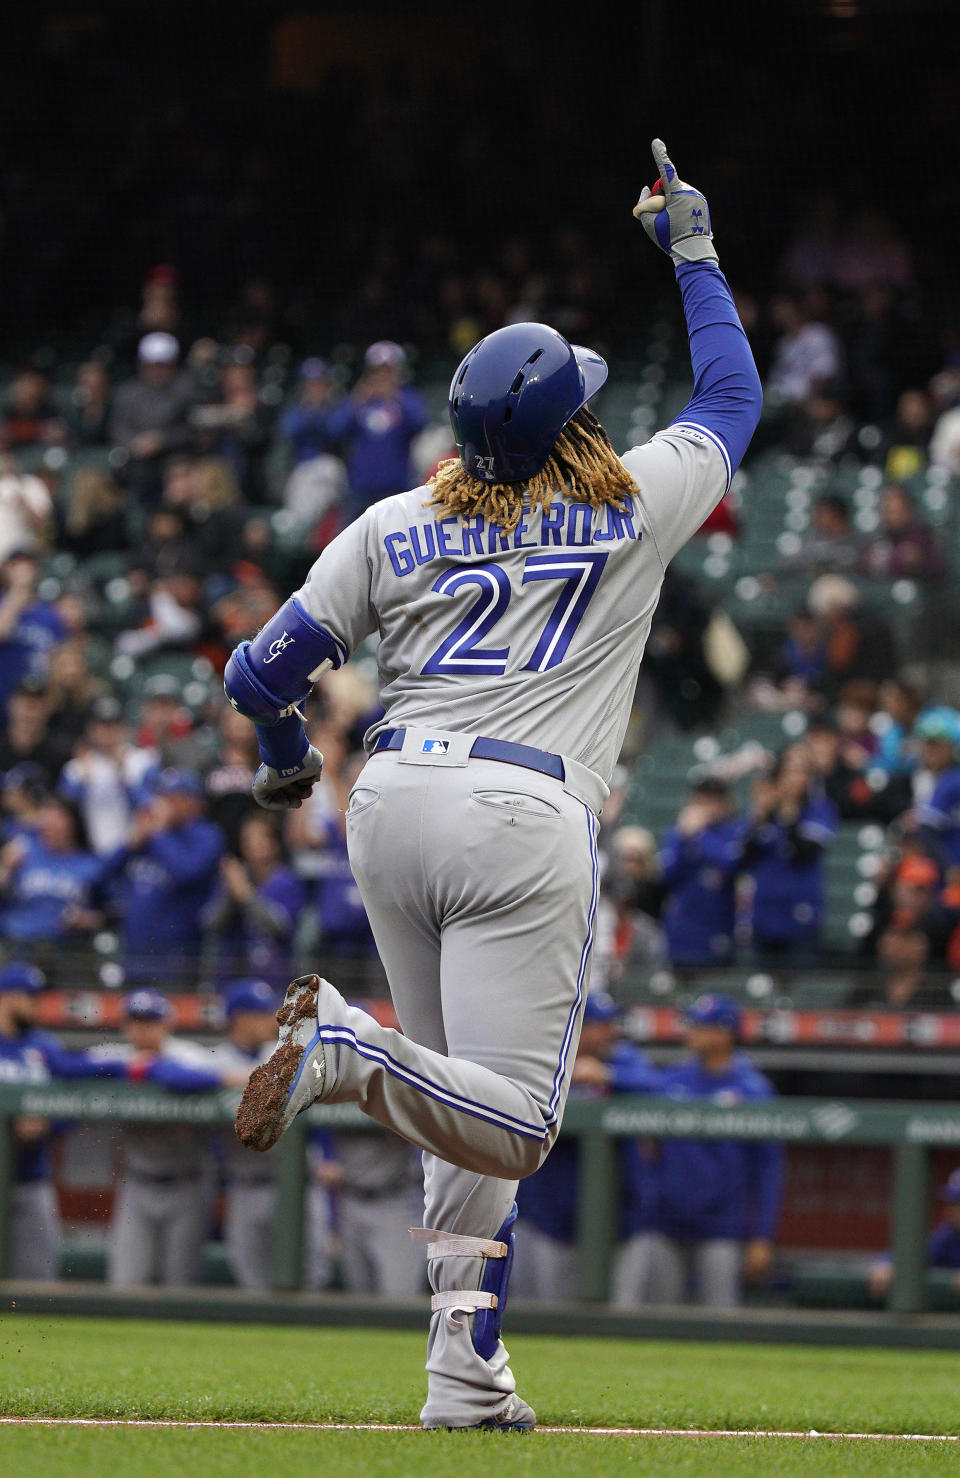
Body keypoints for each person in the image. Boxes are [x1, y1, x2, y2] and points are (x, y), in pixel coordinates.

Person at [227, 139, 762, 1430]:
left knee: (453, 1103)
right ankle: (344, 1049)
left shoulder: (394, 518)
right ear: (567, 420)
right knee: (514, 1123)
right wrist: (689, 248)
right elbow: (734, 397)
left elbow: (258, 674)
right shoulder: (631, 500)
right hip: (522, 814)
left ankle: (462, 1367)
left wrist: (289, 760)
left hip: (391, 803)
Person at [612, 995, 784, 1309]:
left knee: (720, 1322)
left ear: (725, 1033)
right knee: (660, 1319)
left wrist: (761, 1236)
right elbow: (634, 1088)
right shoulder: (674, 1079)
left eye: (701, 1027)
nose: (692, 1033)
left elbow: (768, 1170)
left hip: (723, 1227)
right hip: (666, 1223)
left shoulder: (753, 1089)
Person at [513, 991, 659, 1301]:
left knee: (621, 1318)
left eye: (608, 1024)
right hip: (552, 1217)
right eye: (597, 1025)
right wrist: (572, 1082)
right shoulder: (547, 1061)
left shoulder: (624, 1061)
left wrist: (609, 1076)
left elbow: (662, 1089)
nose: (608, 1032)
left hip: (622, 1220)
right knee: (551, 1317)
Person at [104, 987, 241, 1288]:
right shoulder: (116, 1056)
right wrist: (133, 1066)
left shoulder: (190, 1056)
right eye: (136, 1022)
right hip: (137, 1182)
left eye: (150, 1022)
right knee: (125, 1281)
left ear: (166, 1024)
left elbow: (195, 1077)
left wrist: (150, 1068)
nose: (143, 1030)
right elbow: (68, 1068)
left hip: (187, 1181)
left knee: (181, 1281)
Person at [103, 769, 225, 988]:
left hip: (177, 962)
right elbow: (100, 879)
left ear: (193, 803)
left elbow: (186, 873)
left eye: (173, 798)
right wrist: (127, 847)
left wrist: (158, 833)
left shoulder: (206, 835)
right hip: (133, 960)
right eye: (162, 796)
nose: (163, 804)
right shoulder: (148, 837)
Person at [743, 745, 838, 968]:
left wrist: (789, 814)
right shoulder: (765, 813)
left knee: (800, 985)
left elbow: (804, 853)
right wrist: (758, 817)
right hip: (764, 915)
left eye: (802, 771)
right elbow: (744, 858)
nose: (795, 778)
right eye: (790, 771)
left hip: (800, 915)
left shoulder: (820, 809)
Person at [325, 341, 428, 522]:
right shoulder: (358, 400)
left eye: (389, 370)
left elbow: (419, 424)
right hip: (360, 490)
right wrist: (357, 399)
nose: (383, 376)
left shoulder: (407, 399)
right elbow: (334, 430)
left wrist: (395, 396)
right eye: (378, 370)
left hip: (398, 489)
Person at [203, 811, 305, 990]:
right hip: (231, 977)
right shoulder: (233, 878)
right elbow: (210, 923)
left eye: (260, 838)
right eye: (248, 839)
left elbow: (279, 926)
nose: (253, 844)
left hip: (274, 978)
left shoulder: (286, 880)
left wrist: (246, 895)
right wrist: (230, 895)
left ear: (274, 843)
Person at [659, 779, 744, 971]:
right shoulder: (678, 833)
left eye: (715, 800)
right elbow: (667, 875)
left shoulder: (735, 831)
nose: (709, 807)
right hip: (683, 927)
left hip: (719, 925)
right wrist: (684, 838)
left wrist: (699, 836)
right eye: (703, 800)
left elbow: (731, 864)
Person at [58, 695, 160, 855]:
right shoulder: (76, 768)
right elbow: (63, 815)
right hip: (90, 852)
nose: (107, 732)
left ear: (124, 727)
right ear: (91, 729)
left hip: (136, 851)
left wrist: (123, 776)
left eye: (113, 725)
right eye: (102, 726)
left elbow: (150, 809)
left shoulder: (143, 761)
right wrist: (83, 782)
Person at [108, 332, 198, 503]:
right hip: (137, 463)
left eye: (162, 365)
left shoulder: (186, 392)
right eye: (152, 365)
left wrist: (162, 440)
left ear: (173, 366)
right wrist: (135, 443)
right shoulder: (127, 393)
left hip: (175, 459)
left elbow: (192, 429)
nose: (157, 371)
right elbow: (117, 428)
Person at [869, 1168, 960, 1302]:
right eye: (953, 1203)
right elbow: (910, 1254)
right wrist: (886, 1263)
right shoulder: (949, 1237)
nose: (952, 1210)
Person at [860, 484, 945, 583]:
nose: (891, 516)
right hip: (879, 591)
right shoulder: (877, 537)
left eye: (896, 511)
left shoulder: (922, 535)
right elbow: (864, 567)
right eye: (888, 510)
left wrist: (917, 561)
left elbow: (936, 570)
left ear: (908, 510)